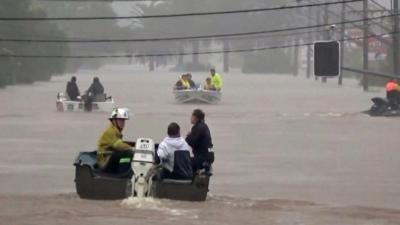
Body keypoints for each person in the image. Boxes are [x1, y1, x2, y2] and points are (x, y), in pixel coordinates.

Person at [97, 108, 134, 177]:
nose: (123, 123)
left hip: (108, 158)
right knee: (127, 153)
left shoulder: (115, 131)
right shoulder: (110, 132)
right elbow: (118, 145)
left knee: (126, 152)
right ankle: (122, 175)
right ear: (114, 120)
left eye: (123, 121)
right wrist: (132, 149)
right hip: (104, 162)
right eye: (120, 120)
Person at [186, 109, 214, 173]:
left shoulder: (197, 127)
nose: (190, 118)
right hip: (209, 157)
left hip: (202, 158)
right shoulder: (204, 126)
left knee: (183, 162)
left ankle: (188, 180)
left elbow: (190, 142)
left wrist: (188, 135)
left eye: (191, 116)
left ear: (195, 117)